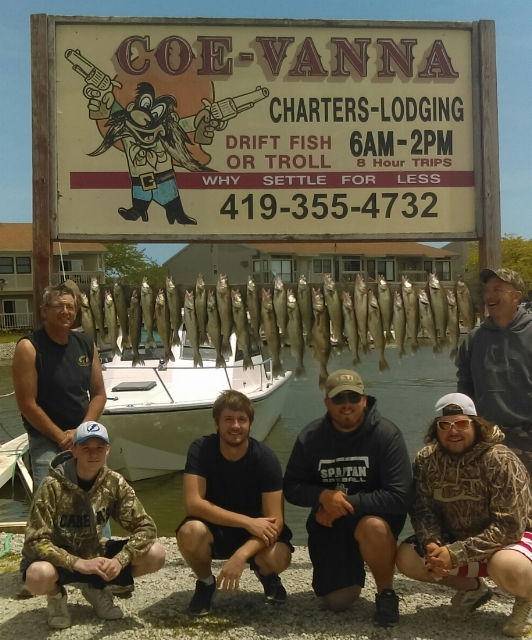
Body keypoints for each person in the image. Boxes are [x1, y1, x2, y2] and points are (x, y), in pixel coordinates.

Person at [396, 393, 532, 637]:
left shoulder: (500, 460)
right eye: (444, 426)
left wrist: (455, 554)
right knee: (407, 558)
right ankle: (473, 590)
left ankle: (526, 599)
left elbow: (510, 527)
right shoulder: (426, 460)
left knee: (507, 566)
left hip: (511, 541)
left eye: (461, 424)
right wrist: (431, 542)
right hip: (458, 538)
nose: (453, 431)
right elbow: (422, 509)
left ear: (476, 425)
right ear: (435, 429)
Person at [283, 369, 412, 628]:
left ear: (364, 399)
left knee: (372, 527)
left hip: (373, 521)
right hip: (330, 523)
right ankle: (351, 570)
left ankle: (385, 592)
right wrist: (322, 495)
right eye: (338, 399)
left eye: (353, 397)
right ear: (327, 403)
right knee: (338, 603)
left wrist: (344, 503)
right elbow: (291, 487)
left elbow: (400, 496)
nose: (346, 405)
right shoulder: (310, 437)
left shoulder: (386, 435)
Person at [20, 421, 166, 629]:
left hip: (95, 553)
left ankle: (98, 587)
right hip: (60, 561)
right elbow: (34, 541)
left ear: (108, 450)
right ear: (74, 450)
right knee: (37, 576)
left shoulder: (114, 482)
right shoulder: (51, 486)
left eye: (99, 448)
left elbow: (146, 527)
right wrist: (76, 563)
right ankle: (56, 597)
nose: (93, 454)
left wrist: (119, 560)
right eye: (86, 448)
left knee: (156, 554)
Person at [176, 389, 293, 616]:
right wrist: (247, 521)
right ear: (217, 424)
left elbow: (276, 521)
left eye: (242, 420)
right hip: (218, 530)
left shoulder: (266, 459)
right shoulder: (201, 450)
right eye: (228, 419)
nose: (235, 426)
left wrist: (240, 556)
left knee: (278, 556)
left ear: (250, 424)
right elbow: (193, 504)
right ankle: (206, 583)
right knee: (190, 531)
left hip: (257, 535)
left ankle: (266, 574)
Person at [12, 282, 107, 490]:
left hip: (83, 434)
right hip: (47, 438)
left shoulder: (86, 343)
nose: (65, 311)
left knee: (97, 500)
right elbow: (27, 404)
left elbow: (99, 394)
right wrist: (62, 438)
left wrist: (81, 431)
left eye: (70, 307)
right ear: (44, 311)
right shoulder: (28, 347)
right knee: (50, 498)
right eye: (58, 306)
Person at [455, 267, 532, 476]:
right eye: (487, 290)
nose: (489, 295)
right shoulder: (473, 339)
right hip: (485, 436)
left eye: (498, 289)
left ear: (517, 296)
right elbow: (464, 386)